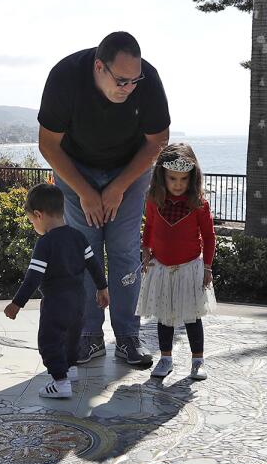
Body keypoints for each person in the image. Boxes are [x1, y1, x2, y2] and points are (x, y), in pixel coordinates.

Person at [38, 31, 171, 370]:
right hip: (76, 169)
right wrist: (85, 191)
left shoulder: (148, 80)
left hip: (129, 170)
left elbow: (157, 140)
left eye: (134, 81)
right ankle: (88, 337)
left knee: (124, 250)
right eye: (122, 81)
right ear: (99, 67)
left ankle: (128, 336)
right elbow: (48, 144)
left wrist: (117, 188)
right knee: (85, 250)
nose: (129, 88)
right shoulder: (65, 77)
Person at [4, 185, 109, 399]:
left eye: (32, 221)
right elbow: (94, 265)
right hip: (80, 300)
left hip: (55, 303)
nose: (33, 225)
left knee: (49, 340)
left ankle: (60, 382)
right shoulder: (78, 236)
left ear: (38, 215)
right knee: (72, 337)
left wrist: (17, 303)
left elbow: (33, 277)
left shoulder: (45, 243)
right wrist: (102, 288)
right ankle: (71, 369)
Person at [137, 144, 217, 381]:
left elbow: (210, 236)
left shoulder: (199, 203)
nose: (178, 184)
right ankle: (165, 358)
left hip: (189, 268)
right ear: (162, 176)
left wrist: (207, 266)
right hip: (161, 267)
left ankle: (197, 361)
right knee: (165, 316)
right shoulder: (154, 200)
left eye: (184, 179)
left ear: (193, 177)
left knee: (192, 317)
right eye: (172, 178)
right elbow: (150, 226)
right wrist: (146, 250)